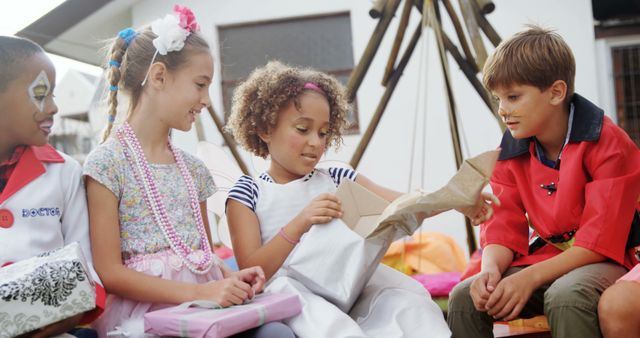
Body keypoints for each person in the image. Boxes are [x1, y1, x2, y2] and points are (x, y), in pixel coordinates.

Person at [225, 60, 496, 337]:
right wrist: (301, 221)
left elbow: (401, 206)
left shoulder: (337, 177)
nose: (316, 143)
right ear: (265, 129)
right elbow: (252, 269)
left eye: (323, 132)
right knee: (330, 325)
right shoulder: (248, 193)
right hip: (293, 294)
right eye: (303, 129)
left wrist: (454, 200)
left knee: (409, 305)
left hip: (352, 285)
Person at [83, 6, 293, 338]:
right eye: (200, 84)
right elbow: (110, 272)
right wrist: (200, 293)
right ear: (159, 76)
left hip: (206, 309)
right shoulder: (107, 164)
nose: (206, 100)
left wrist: (229, 277)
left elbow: (200, 255)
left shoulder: (193, 168)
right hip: (148, 316)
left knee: (277, 333)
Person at [447, 25, 640, 338]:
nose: (502, 110)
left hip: (616, 259)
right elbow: (502, 226)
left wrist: (529, 279)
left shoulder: (606, 142)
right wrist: (490, 270)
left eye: (513, 97)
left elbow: (600, 242)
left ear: (556, 92)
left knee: (566, 296)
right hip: (552, 260)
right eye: (498, 99)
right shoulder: (509, 151)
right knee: (465, 298)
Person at [0, 35, 104, 338]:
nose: (55, 107)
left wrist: (47, 324)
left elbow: (87, 273)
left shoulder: (65, 172)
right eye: (41, 93)